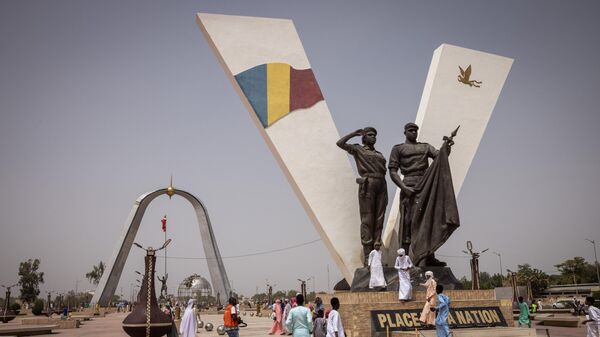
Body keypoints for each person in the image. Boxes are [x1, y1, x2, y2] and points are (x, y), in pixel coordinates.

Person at [388, 123, 458, 267]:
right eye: (411, 130)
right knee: (407, 223)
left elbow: (440, 157)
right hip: (409, 186)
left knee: (428, 221)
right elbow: (393, 171)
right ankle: (404, 258)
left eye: (415, 130)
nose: (414, 132)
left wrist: (447, 146)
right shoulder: (398, 149)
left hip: (426, 186)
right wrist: (403, 187)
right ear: (405, 132)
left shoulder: (425, 147)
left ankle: (428, 256)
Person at [337, 127, 388, 264]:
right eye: (370, 135)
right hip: (368, 183)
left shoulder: (379, 154)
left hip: (381, 184)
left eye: (375, 135)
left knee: (379, 218)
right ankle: (367, 256)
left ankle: (376, 251)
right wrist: (354, 133)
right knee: (367, 219)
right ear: (364, 137)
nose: (373, 137)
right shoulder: (358, 149)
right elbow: (340, 143)